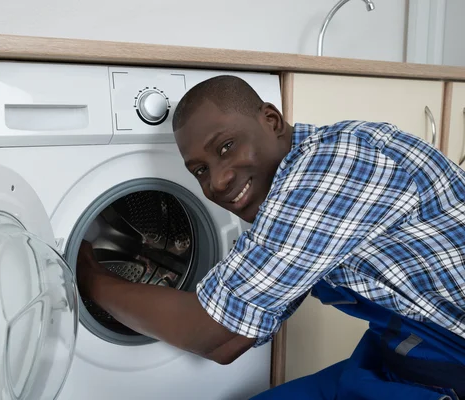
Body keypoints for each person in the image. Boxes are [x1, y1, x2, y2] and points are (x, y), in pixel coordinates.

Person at [76, 75, 465, 399]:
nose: (218, 181)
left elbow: (220, 337)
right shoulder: (300, 179)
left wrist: (90, 279)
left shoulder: (332, 172)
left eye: (226, 147)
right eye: (199, 170)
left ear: (272, 120)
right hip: (403, 353)